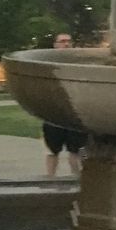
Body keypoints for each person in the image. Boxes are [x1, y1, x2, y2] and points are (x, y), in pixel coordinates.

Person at [42, 33, 87, 176]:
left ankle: (77, 180)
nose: (66, 44)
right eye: (62, 41)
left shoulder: (78, 64)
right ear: (55, 45)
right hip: (53, 114)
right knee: (51, 151)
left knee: (75, 151)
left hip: (74, 114)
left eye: (68, 41)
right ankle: (50, 179)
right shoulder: (46, 63)